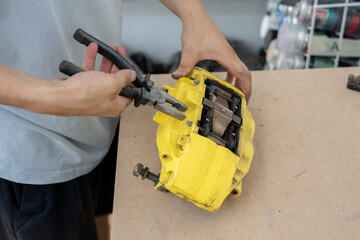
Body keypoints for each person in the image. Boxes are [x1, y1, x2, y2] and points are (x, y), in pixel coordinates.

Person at [0, 0, 252, 239]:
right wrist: (52, 97)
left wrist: (194, 15)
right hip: (37, 155)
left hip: (102, 120)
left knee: (102, 214)